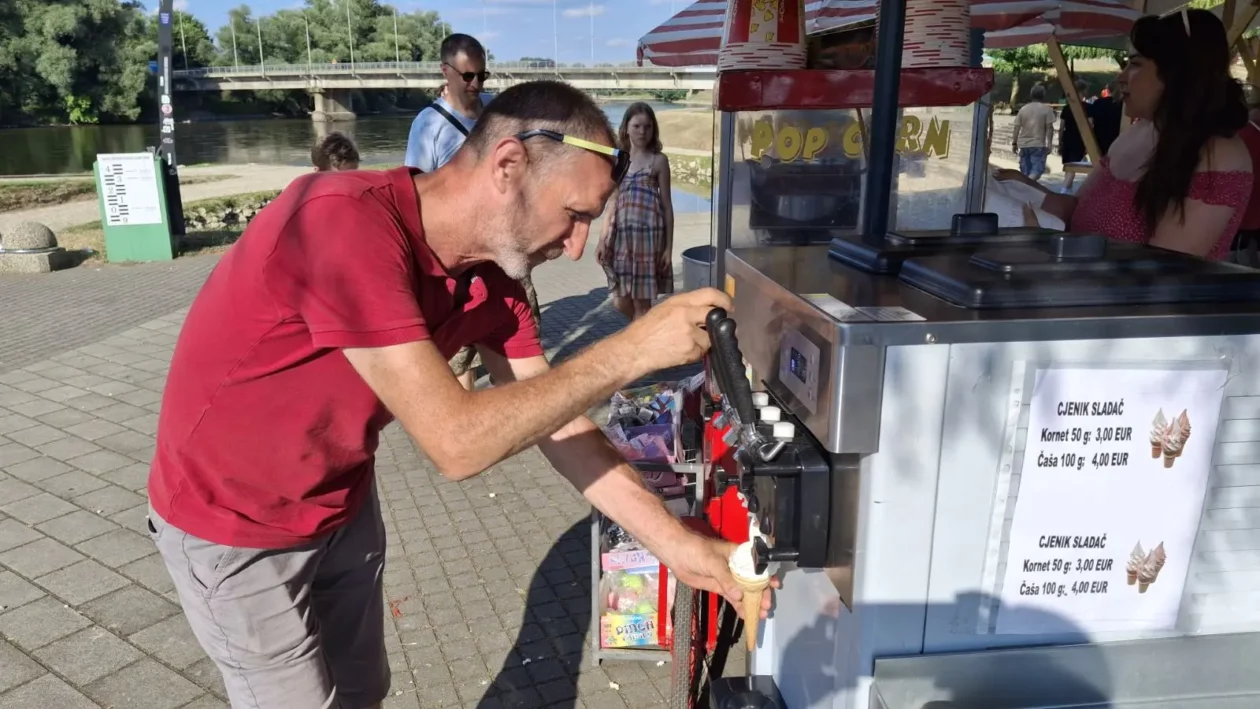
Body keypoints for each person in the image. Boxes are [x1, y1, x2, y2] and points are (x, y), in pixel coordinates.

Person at [145, 80, 773, 709]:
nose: (577, 245)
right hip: (233, 521)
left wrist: (680, 548)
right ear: (508, 164)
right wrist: (635, 348)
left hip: (339, 499)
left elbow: (558, 424)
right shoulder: (340, 220)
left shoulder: (497, 282)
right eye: (576, 214)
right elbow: (454, 443)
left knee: (363, 690)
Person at [998, 9, 1253, 260]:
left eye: (1135, 64)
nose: (1121, 77)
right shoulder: (1138, 132)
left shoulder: (1217, 155)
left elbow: (1162, 273)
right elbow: (1076, 210)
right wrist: (1018, 184)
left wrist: (1041, 242)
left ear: (1176, 71)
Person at [404, 34, 539, 390]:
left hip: (505, 252)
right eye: (467, 76)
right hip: (460, 261)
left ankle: (513, 423)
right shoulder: (427, 126)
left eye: (483, 75)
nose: (476, 84)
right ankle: (465, 431)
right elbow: (418, 198)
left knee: (518, 346)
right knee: (459, 357)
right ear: (445, 71)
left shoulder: (499, 112)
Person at [596, 102, 675, 321]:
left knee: (642, 303)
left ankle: (642, 345)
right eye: (637, 126)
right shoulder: (620, 160)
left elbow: (667, 205)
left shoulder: (659, 160)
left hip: (649, 240)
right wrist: (602, 240)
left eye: (648, 127)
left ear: (654, 129)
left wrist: (668, 248)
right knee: (620, 300)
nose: (642, 132)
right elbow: (612, 202)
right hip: (623, 240)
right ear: (626, 128)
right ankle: (645, 334)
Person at [1012, 84, 1058, 181]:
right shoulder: (1047, 109)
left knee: (1025, 171)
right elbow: (1049, 128)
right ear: (1043, 95)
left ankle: (1026, 187)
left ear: (1031, 95)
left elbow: (1016, 127)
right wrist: (1049, 144)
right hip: (1038, 144)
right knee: (1037, 170)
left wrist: (1014, 143)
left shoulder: (1023, 109)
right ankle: (1028, 185)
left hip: (1023, 144)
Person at [1059, 79, 1090, 166]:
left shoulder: (1066, 108)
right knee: (1074, 166)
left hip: (1067, 138)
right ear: (1084, 91)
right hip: (1080, 140)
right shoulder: (1088, 108)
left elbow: (1061, 127)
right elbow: (1090, 126)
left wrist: (1060, 142)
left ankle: (1067, 179)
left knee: (1068, 166)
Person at [1090, 81, 1124, 157]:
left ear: (1107, 90)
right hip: (1115, 137)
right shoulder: (1121, 104)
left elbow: (1092, 120)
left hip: (1099, 136)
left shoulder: (1098, 102)